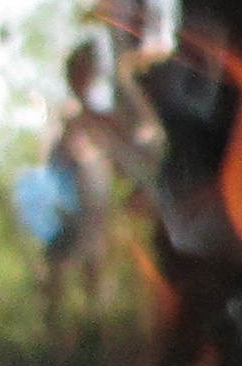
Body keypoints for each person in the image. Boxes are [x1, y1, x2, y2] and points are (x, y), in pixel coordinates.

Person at [32, 39, 159, 333]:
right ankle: (55, 337)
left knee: (93, 264)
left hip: (93, 201)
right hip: (65, 203)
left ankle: (94, 330)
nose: (85, 76)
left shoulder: (101, 116)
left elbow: (132, 149)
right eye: (80, 69)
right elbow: (54, 157)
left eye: (88, 69)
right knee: (58, 265)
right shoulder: (67, 115)